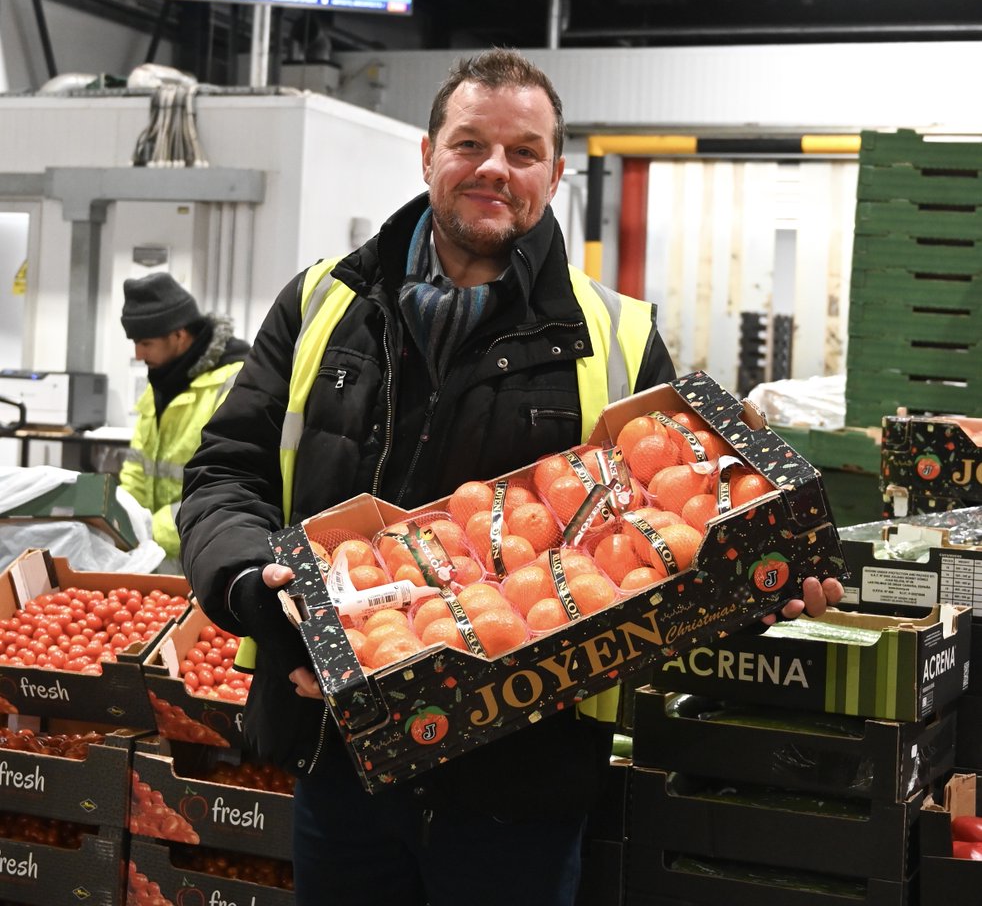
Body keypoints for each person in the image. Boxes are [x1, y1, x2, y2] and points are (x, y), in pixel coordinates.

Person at [178, 49, 842, 906]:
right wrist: (251, 591)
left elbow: (671, 535)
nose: (495, 168)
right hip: (343, 757)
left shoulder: (619, 335)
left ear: (555, 174)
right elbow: (225, 473)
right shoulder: (321, 304)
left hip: (520, 784)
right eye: (470, 144)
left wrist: (756, 587)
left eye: (524, 152)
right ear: (428, 155)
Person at [119, 271, 250, 563]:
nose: (138, 354)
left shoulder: (234, 384)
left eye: (146, 343)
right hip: (153, 556)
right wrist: (121, 520)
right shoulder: (161, 383)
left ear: (179, 335)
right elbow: (137, 467)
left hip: (203, 551)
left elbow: (229, 484)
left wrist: (149, 532)